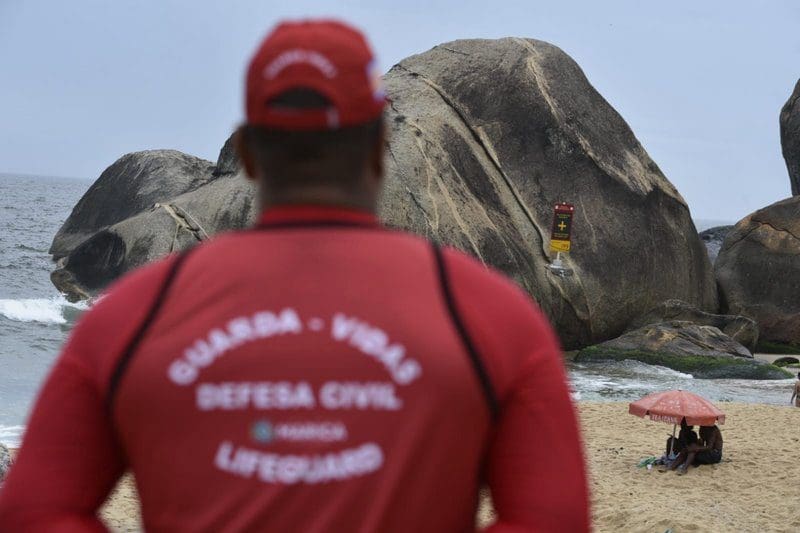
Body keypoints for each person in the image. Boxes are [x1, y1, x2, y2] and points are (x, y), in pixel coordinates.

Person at [0, 18, 589, 532]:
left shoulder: (132, 317)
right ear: (380, 145)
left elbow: (33, 513)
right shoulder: (491, 317)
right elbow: (553, 521)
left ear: (248, 152)